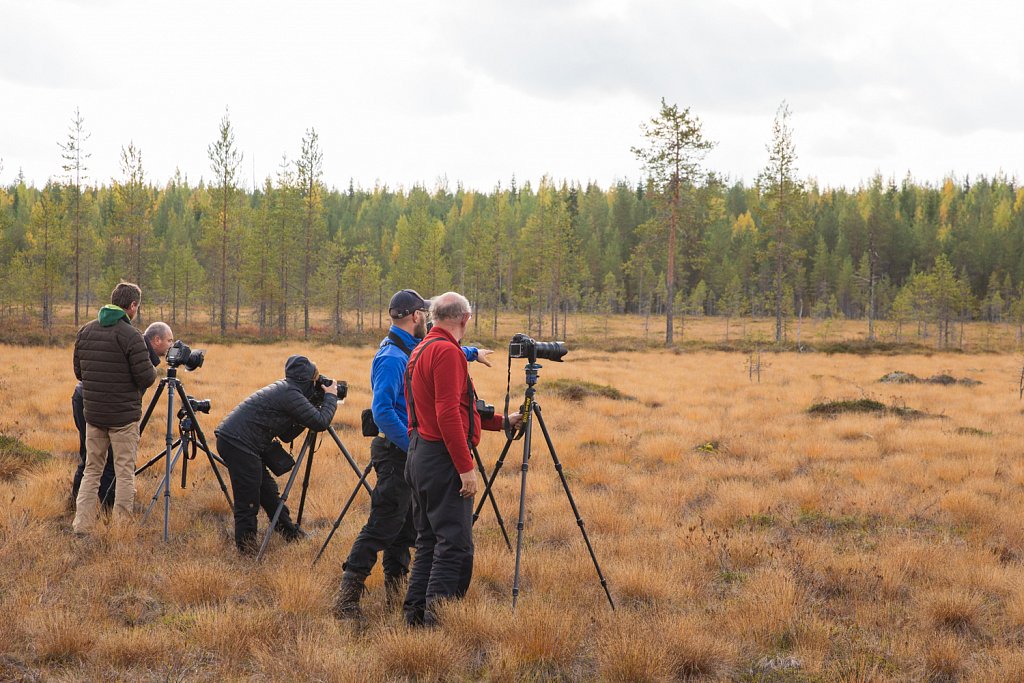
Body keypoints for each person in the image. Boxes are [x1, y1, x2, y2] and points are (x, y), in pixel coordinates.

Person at [332, 289, 493, 620]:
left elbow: (438, 356)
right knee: (383, 525)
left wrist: (471, 352)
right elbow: (382, 412)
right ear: (418, 316)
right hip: (399, 452)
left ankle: (399, 597)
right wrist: (416, 442)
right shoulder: (392, 357)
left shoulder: (414, 348)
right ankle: (348, 596)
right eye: (424, 314)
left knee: (408, 533)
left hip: (416, 451)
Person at [402, 292, 521, 627]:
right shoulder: (446, 352)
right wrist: (465, 468)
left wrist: (501, 422)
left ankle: (415, 619)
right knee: (454, 545)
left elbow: (450, 409)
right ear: (465, 318)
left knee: (428, 541)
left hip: (419, 453)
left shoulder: (421, 349)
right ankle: (437, 625)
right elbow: (447, 415)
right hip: (440, 458)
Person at [215, 355, 339, 554]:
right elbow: (321, 423)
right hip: (238, 443)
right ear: (308, 380)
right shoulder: (290, 393)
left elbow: (286, 434)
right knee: (248, 500)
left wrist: (312, 405)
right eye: (315, 381)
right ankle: (247, 550)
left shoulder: (288, 389)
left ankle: (289, 533)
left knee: (268, 492)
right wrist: (330, 397)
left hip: (239, 441)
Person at [72, 282, 158, 533]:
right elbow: (147, 378)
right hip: (123, 419)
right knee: (124, 473)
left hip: (95, 415)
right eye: (136, 307)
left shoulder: (85, 331)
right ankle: (121, 528)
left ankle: (82, 526)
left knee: (91, 470)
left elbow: (79, 372)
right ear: (131, 306)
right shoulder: (131, 336)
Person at [70, 321, 174, 509]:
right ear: (156, 340)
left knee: (92, 457)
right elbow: (142, 380)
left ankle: (82, 504)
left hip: (88, 397)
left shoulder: (132, 342)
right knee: (105, 458)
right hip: (93, 400)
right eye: (169, 340)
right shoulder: (136, 347)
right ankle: (106, 508)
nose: (171, 346)